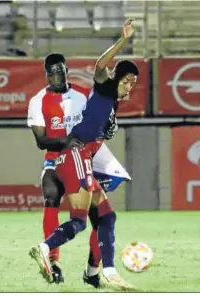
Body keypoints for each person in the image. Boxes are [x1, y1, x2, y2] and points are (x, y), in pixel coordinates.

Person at [29, 18, 138, 290]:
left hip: (84, 157)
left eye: (133, 83)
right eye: (126, 81)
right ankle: (47, 250)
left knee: (106, 217)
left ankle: (100, 272)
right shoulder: (105, 86)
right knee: (77, 219)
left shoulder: (108, 100)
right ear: (117, 78)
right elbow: (100, 66)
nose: (129, 87)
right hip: (74, 155)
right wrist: (123, 41)